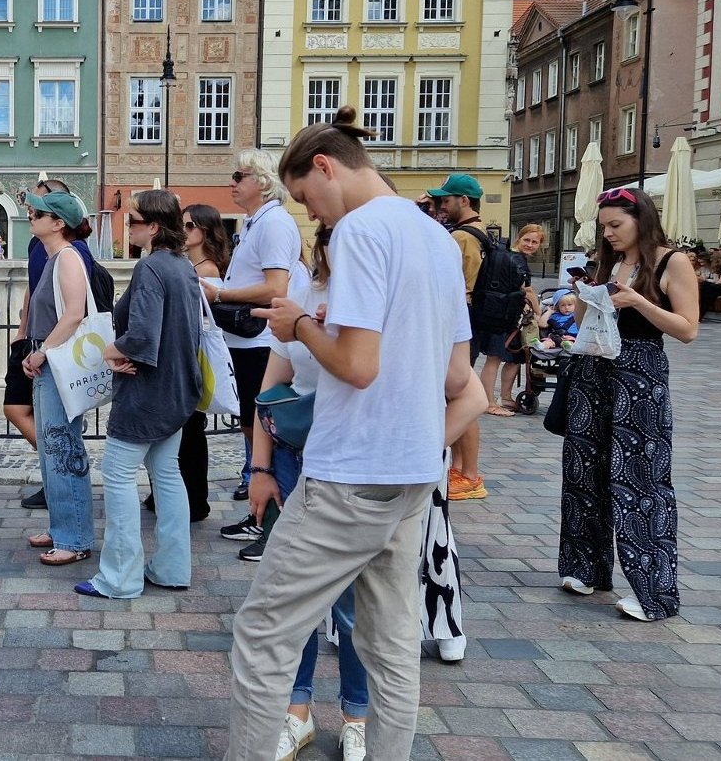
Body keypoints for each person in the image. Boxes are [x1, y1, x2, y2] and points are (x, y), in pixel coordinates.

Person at [227, 108, 486, 761]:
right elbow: (459, 374)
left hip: (350, 473)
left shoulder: (362, 231)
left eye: (307, 198)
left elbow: (358, 367)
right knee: (392, 645)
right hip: (410, 474)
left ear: (325, 167)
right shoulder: (434, 237)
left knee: (263, 632)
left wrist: (297, 327)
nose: (314, 216)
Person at [244, 223, 372, 758]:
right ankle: (296, 712)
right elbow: (270, 391)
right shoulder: (301, 298)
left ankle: (357, 716)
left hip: (354, 465)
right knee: (292, 598)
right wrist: (260, 469)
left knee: (350, 606)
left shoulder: (375, 301)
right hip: (296, 461)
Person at [559, 187, 696, 623]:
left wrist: (638, 300)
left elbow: (687, 329)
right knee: (583, 470)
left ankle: (653, 591)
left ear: (641, 220)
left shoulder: (672, 262)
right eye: (604, 226)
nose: (609, 233)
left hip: (640, 375)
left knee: (639, 478)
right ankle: (587, 569)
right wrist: (584, 293)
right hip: (594, 371)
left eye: (616, 225)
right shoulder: (606, 262)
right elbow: (581, 322)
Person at [76, 190, 200, 599]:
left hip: (147, 392)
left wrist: (113, 351)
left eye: (133, 221)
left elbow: (143, 335)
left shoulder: (152, 268)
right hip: (178, 388)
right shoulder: (183, 266)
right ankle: (171, 567)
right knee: (167, 476)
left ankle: (120, 577)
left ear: (154, 226)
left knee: (117, 477)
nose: (128, 227)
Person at [205, 149, 305, 543]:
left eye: (239, 175)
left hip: (261, 341)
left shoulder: (274, 223)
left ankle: (272, 523)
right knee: (252, 427)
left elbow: (275, 288)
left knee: (265, 429)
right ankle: (261, 516)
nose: (232, 182)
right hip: (246, 342)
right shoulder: (255, 223)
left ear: (262, 182)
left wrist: (221, 294)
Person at [21, 189, 97, 566]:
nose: (31, 216)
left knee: (62, 447)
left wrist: (41, 351)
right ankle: (62, 525)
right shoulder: (53, 257)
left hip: (57, 362)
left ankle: (75, 536)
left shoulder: (67, 257)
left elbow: (73, 314)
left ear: (58, 223)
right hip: (50, 361)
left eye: (39, 213)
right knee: (53, 448)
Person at [148, 203, 231, 523]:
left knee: (191, 430)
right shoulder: (187, 265)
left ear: (206, 231)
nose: (184, 231)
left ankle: (195, 500)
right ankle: (175, 494)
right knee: (183, 428)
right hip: (186, 353)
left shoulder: (206, 270)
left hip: (193, 355)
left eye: (190, 226)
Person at [427, 174, 489, 500]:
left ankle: (469, 474)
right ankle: (462, 467)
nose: (442, 206)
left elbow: (460, 287)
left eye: (446, 200)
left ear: (464, 201)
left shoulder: (463, 238)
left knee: (461, 394)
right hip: (471, 322)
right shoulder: (478, 233)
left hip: (463, 325)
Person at [479, 223, 543, 417]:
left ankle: (505, 397)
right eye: (527, 240)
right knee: (494, 358)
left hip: (504, 312)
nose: (530, 244)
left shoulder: (509, 255)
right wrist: (539, 314)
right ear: (519, 238)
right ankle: (488, 402)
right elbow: (528, 290)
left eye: (535, 242)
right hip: (502, 314)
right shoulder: (516, 259)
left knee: (514, 357)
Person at [698, 249, 721, 321]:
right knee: (705, 286)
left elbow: (720, 281)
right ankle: (701, 311)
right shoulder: (719, 268)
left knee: (707, 289)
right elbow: (717, 281)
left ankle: (701, 312)